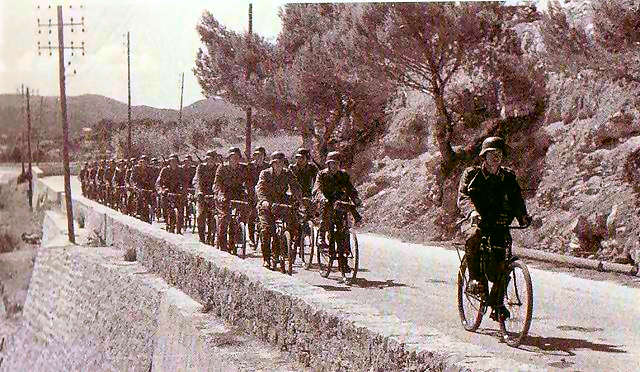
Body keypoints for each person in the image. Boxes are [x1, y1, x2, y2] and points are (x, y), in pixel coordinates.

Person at [457, 136, 532, 322]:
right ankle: (474, 279)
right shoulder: (471, 174)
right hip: (477, 222)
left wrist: (523, 216)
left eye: (499, 154)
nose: (496, 157)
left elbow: (516, 200)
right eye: (492, 154)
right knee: (473, 236)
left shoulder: (508, 177)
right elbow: (463, 197)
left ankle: (497, 304)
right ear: (484, 156)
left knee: (504, 263)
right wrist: (472, 213)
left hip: (499, 224)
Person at [312, 151, 362, 282]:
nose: (334, 166)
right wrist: (321, 197)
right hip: (326, 202)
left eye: (336, 164)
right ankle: (321, 237)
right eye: (331, 163)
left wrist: (356, 199)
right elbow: (317, 189)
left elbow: (350, 189)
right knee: (326, 216)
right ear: (328, 164)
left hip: (339, 204)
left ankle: (344, 262)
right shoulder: (321, 174)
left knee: (343, 232)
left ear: (339, 164)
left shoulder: (343, 175)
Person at [256, 151, 303, 271]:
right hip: (267, 205)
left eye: (281, 162)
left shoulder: (288, 173)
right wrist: (263, 201)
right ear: (272, 163)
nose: (279, 165)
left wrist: (299, 201)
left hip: (282, 204)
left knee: (294, 223)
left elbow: (296, 187)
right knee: (266, 230)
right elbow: (260, 189)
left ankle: (287, 246)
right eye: (276, 163)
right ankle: (266, 258)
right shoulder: (265, 173)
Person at [213, 147, 249, 252]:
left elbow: (248, 183)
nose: (235, 160)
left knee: (241, 216)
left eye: (237, 157)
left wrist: (249, 195)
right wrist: (220, 195)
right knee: (224, 218)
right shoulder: (222, 168)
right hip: (224, 195)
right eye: (232, 157)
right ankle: (222, 245)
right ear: (229, 158)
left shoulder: (243, 168)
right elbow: (217, 184)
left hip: (238, 194)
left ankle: (236, 236)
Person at [156, 153, 185, 234]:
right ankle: (165, 218)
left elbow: (184, 182)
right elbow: (158, 182)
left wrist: (184, 190)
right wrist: (161, 190)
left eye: (175, 161)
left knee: (181, 209)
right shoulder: (165, 170)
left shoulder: (181, 170)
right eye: (171, 161)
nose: (173, 163)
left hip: (177, 192)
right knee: (165, 204)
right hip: (167, 191)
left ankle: (179, 228)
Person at [194, 150, 219, 244]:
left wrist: (218, 192)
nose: (211, 161)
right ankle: (201, 237)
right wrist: (199, 192)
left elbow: (219, 181)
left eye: (213, 159)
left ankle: (212, 235)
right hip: (202, 195)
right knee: (200, 215)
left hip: (214, 194)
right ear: (206, 159)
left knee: (215, 216)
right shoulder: (201, 167)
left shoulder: (218, 168)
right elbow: (197, 180)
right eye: (209, 159)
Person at [247, 146, 269, 246]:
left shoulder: (268, 167)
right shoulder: (249, 166)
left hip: (264, 193)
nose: (258, 157)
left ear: (264, 156)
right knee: (252, 215)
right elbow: (246, 180)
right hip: (251, 193)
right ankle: (251, 238)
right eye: (256, 155)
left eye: (260, 155)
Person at [129, 155, 155, 222]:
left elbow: (153, 178)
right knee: (139, 196)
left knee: (151, 196)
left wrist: (153, 187)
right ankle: (137, 211)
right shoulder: (136, 168)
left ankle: (152, 211)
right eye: (143, 161)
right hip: (138, 184)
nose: (144, 163)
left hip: (147, 185)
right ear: (140, 162)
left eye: (146, 162)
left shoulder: (150, 169)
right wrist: (134, 186)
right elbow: (132, 178)